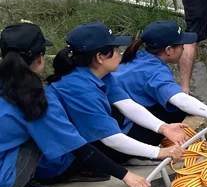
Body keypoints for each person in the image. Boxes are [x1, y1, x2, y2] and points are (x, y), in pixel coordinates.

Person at [0, 23, 152, 187]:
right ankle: (23, 185)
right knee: (40, 133)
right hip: (4, 182)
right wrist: (126, 175)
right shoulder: (36, 99)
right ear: (40, 58)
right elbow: (78, 147)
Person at [46, 22, 187, 167]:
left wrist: (163, 127)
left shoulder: (98, 74)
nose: (119, 53)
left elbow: (128, 105)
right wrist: (158, 152)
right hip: (61, 161)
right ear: (100, 57)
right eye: (115, 49)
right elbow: (111, 139)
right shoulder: (81, 89)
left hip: (80, 147)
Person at [116, 19, 207, 144]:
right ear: (169, 50)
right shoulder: (154, 72)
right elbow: (179, 100)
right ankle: (141, 149)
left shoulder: (139, 56)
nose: (183, 48)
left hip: (115, 121)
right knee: (177, 108)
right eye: (181, 45)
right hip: (123, 135)